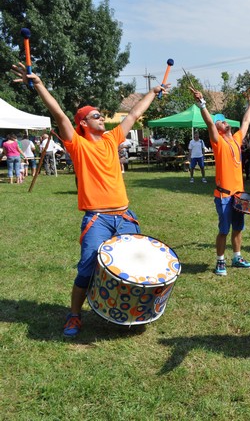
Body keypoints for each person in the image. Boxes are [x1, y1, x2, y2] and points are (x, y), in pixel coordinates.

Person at [12, 61, 168, 338]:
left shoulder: (111, 139)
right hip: (98, 219)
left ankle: (127, 311)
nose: (101, 118)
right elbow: (58, 113)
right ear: (83, 123)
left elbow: (134, 113)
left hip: (124, 216)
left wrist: (153, 92)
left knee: (133, 266)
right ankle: (74, 315)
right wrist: (38, 85)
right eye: (96, 116)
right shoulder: (78, 144)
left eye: (101, 115)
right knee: (87, 267)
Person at [190, 86, 250, 276]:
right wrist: (202, 104)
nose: (223, 122)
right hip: (224, 196)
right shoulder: (217, 141)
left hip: (239, 195)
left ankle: (237, 257)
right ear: (218, 129)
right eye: (220, 121)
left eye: (224, 120)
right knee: (224, 230)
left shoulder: (236, 139)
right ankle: (220, 261)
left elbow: (246, 121)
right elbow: (209, 123)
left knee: (238, 228)